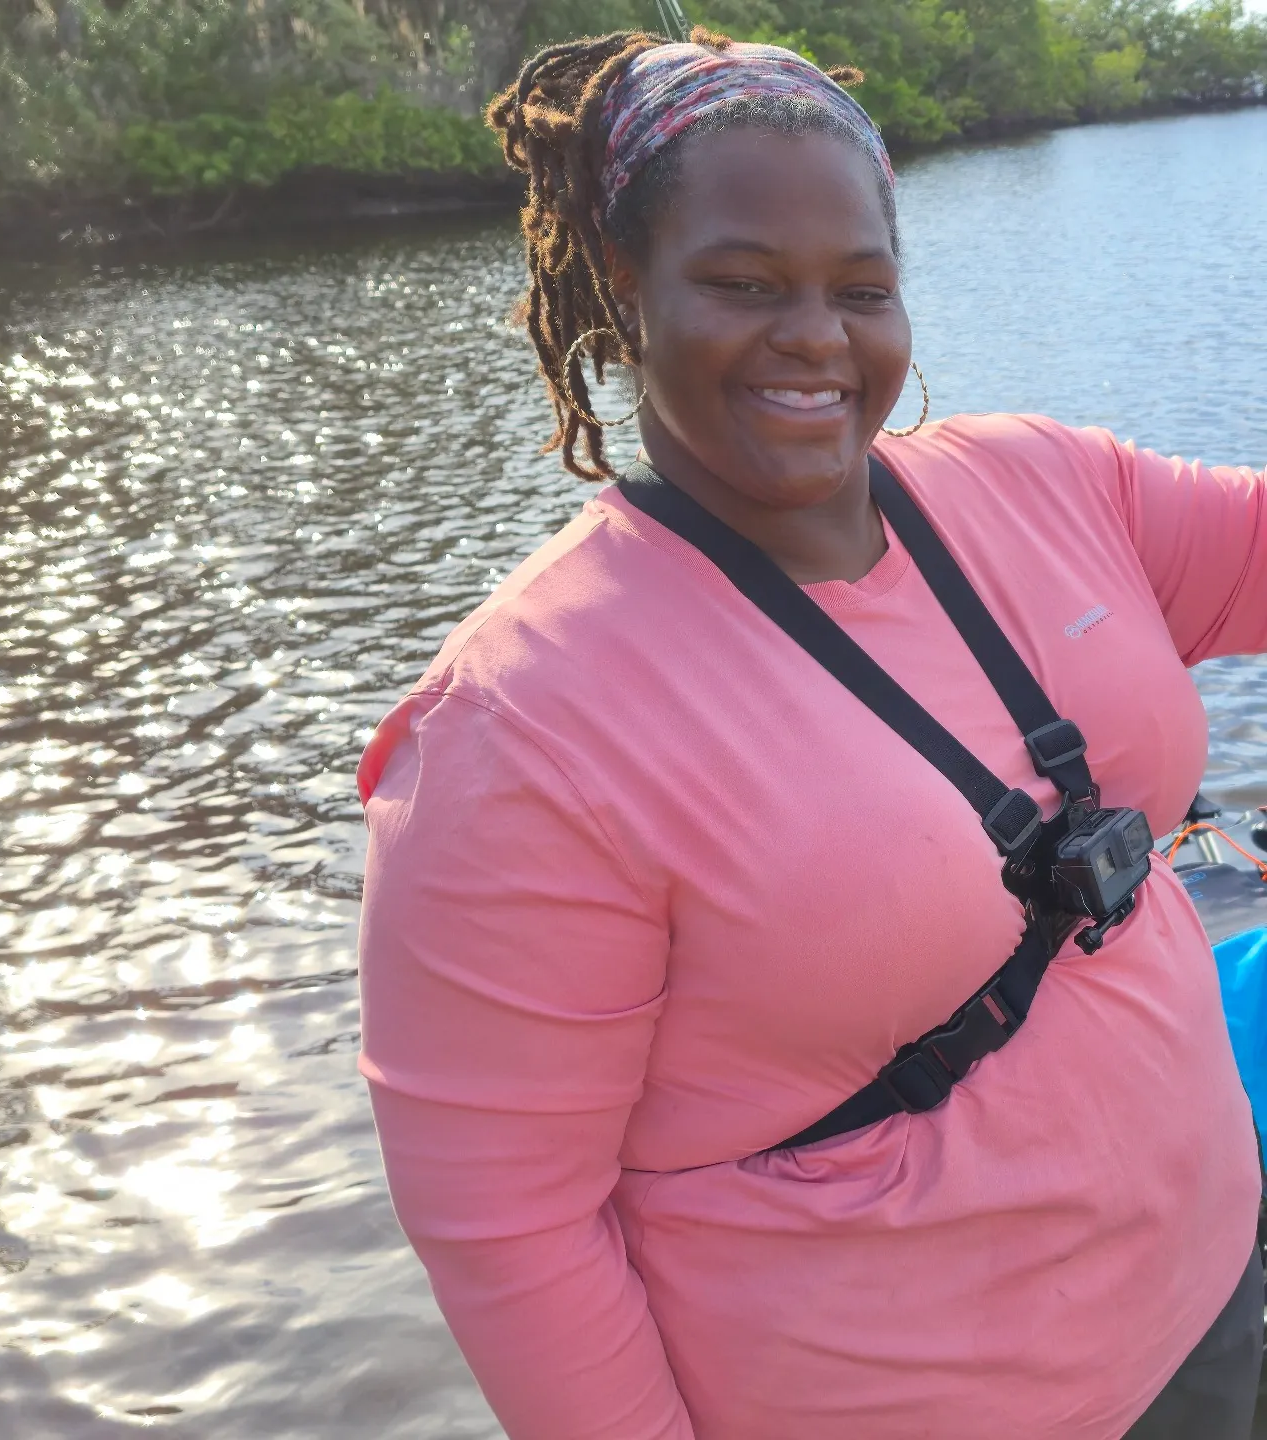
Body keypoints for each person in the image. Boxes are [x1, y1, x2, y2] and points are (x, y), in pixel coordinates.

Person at [355, 26, 1267, 1440]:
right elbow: (509, 1230)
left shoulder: (1039, 484)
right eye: (741, 283)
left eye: (862, 288)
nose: (815, 337)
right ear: (622, 287)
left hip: (1204, 1295)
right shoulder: (516, 727)